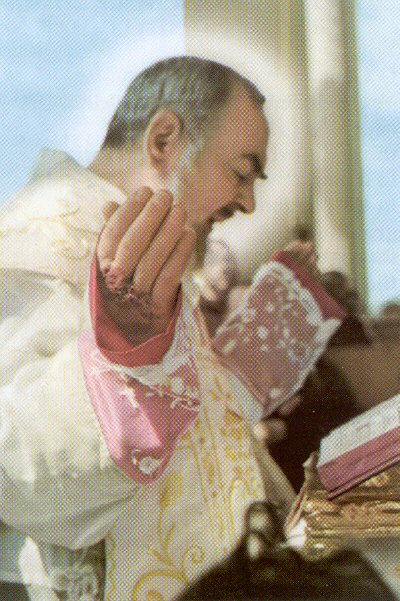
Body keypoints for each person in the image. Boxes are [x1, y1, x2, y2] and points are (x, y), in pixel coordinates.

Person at [0, 56, 346, 600]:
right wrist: (125, 360)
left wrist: (258, 358)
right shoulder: (42, 236)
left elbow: (185, 443)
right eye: (242, 172)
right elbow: (15, 468)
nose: (248, 202)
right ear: (163, 140)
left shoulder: (150, 258)